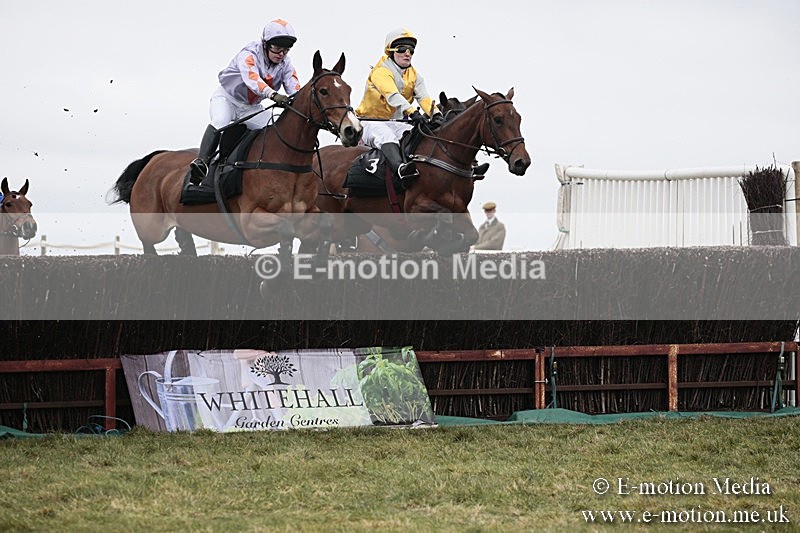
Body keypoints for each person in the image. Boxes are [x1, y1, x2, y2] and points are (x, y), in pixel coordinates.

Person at [186, 18, 301, 192]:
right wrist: (275, 95)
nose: (281, 54)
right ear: (265, 44)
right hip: (227, 99)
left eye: (285, 49)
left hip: (251, 107)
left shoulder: (286, 64)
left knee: (275, 131)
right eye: (277, 48)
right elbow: (253, 81)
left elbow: (294, 88)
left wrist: (298, 101)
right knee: (221, 121)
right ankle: (202, 164)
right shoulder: (249, 54)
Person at [355, 28, 443, 182]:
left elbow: (424, 97)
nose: (407, 53)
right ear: (391, 51)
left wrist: (435, 114)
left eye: (411, 50)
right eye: (402, 49)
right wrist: (412, 112)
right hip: (369, 122)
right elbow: (393, 96)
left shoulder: (415, 76)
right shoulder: (380, 72)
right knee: (386, 136)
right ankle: (401, 169)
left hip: (396, 122)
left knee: (420, 134)